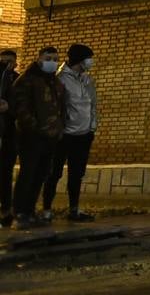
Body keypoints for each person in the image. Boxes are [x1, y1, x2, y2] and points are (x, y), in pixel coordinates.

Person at [10, 46, 66, 229]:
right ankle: (19, 212)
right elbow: (21, 108)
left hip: (50, 137)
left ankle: (30, 211)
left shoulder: (55, 82)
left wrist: (59, 128)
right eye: (48, 58)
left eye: (55, 58)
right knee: (28, 173)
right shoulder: (27, 80)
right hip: (31, 137)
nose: (52, 62)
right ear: (40, 58)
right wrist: (33, 127)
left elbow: (60, 107)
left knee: (41, 175)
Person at [42, 44, 98, 222]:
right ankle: (46, 210)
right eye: (89, 58)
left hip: (83, 134)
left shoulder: (87, 79)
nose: (91, 61)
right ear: (80, 60)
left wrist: (92, 127)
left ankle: (74, 209)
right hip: (64, 135)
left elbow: (92, 105)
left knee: (77, 173)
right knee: (54, 172)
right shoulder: (61, 79)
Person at [0, 49, 18, 227]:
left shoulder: (18, 80)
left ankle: (5, 209)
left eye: (10, 62)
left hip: (10, 134)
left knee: (5, 173)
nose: (6, 65)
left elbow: (22, 105)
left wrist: (9, 108)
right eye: (3, 61)